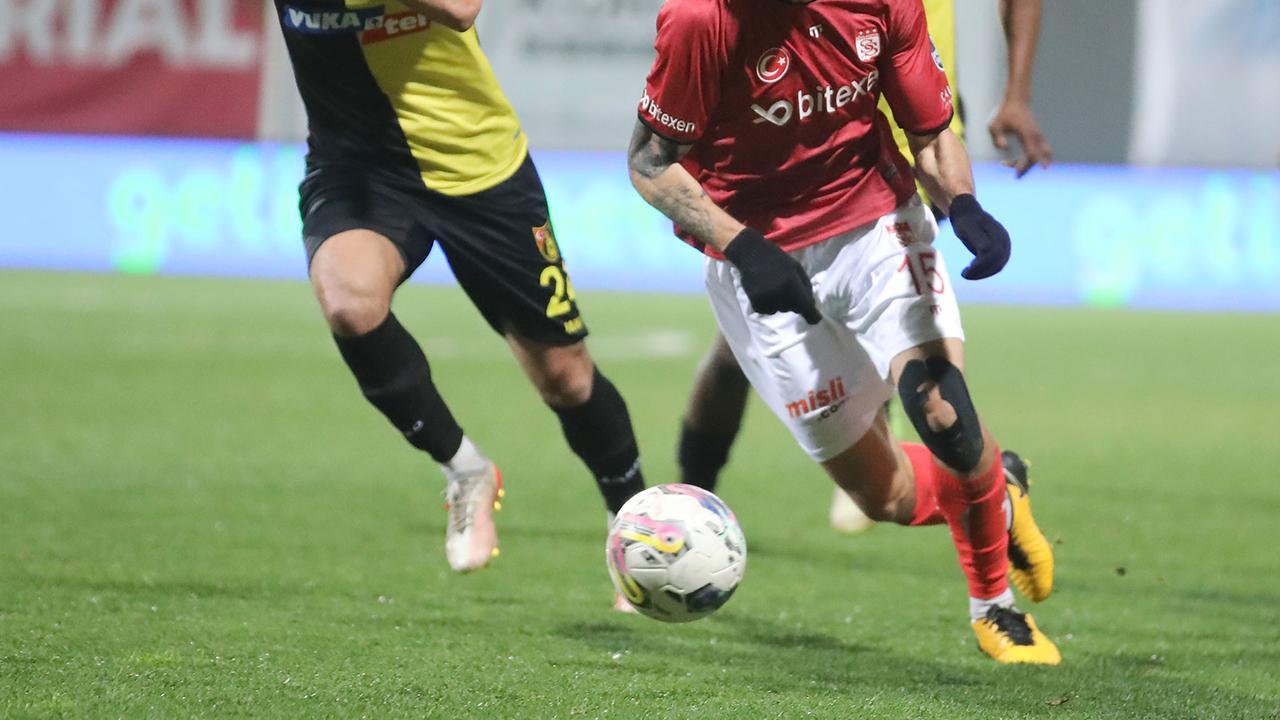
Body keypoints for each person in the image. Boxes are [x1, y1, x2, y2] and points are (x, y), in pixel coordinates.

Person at [628, 0, 1059, 663]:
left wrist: (964, 205)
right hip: (759, 255)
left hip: (874, 224)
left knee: (942, 410)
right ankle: (999, 487)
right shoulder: (698, 19)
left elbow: (929, 131)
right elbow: (651, 162)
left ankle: (994, 607)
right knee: (885, 494)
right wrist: (742, 246)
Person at [274, 0, 645, 594]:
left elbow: (461, 7)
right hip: (357, 171)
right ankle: (465, 469)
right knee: (348, 301)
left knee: (565, 377)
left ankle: (635, 527)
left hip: (478, 169)